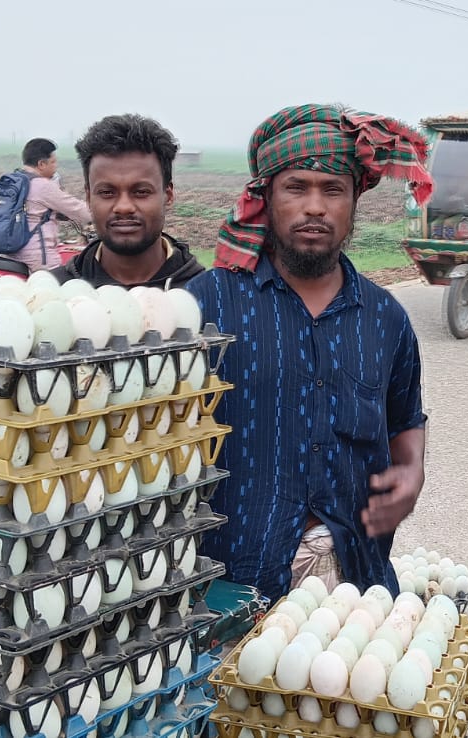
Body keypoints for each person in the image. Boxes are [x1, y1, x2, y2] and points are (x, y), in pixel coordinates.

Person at [186, 104, 433, 602]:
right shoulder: (206, 303)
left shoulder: (385, 317)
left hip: (354, 583)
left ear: (354, 201)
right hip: (229, 582)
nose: (315, 207)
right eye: (296, 188)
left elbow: (405, 417)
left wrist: (412, 472)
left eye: (333, 190)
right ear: (266, 198)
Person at [51, 114, 205, 289]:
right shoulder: (56, 294)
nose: (124, 207)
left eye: (141, 192)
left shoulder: (204, 296)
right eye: (107, 192)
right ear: (88, 197)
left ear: (168, 195)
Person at [10, 137, 92, 271]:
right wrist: (106, 213)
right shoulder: (42, 186)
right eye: (53, 162)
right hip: (39, 257)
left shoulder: (14, 180)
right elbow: (77, 209)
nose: (56, 166)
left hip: (12, 252)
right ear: (41, 164)